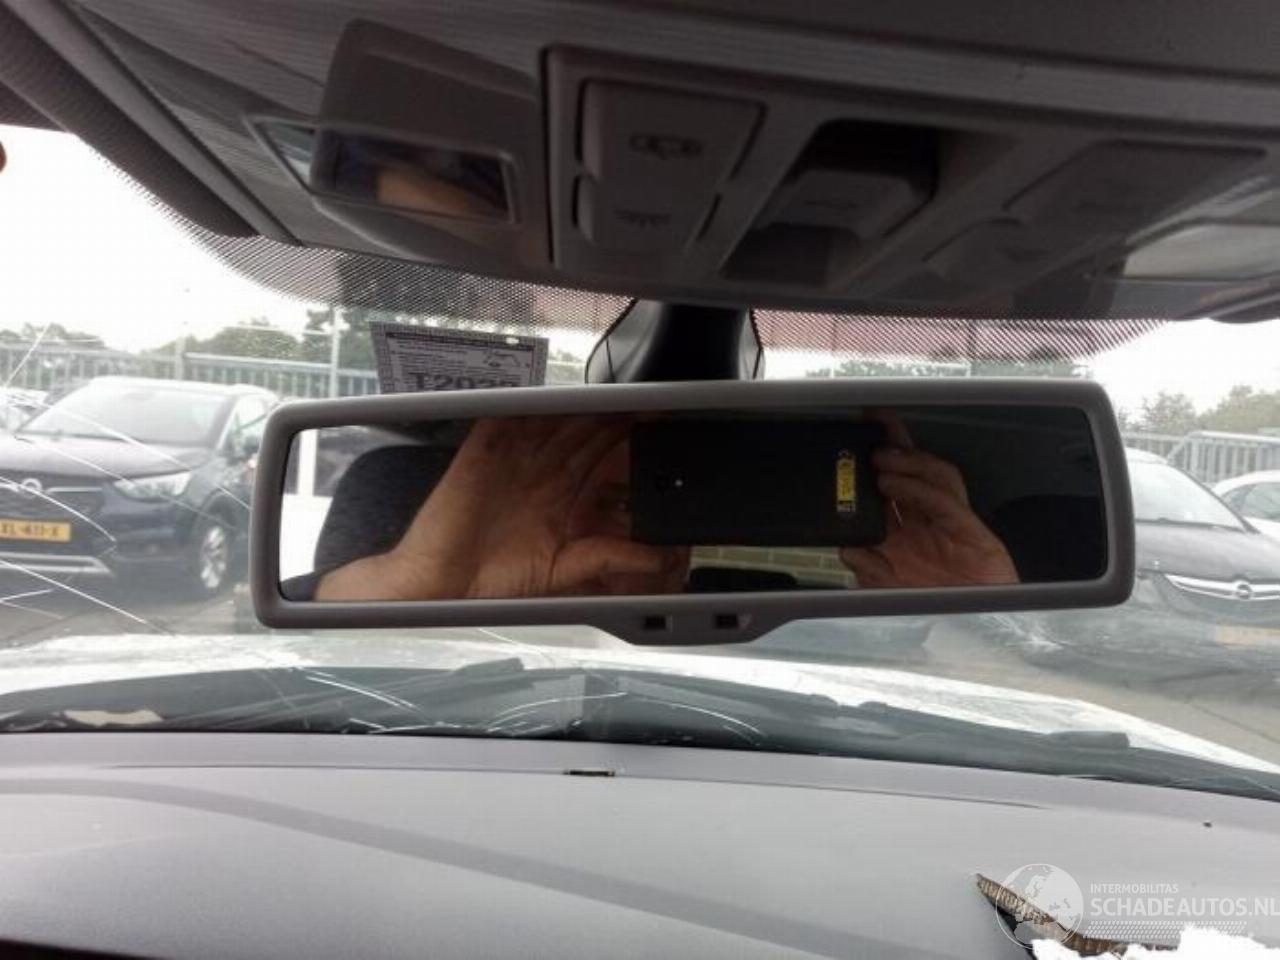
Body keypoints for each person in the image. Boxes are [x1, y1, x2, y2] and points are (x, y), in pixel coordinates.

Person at [310, 412, 1018, 602]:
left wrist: (978, 616)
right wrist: (428, 590)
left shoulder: (813, 664)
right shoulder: (459, 662)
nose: (613, 532)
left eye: (645, 497)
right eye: (576, 499)